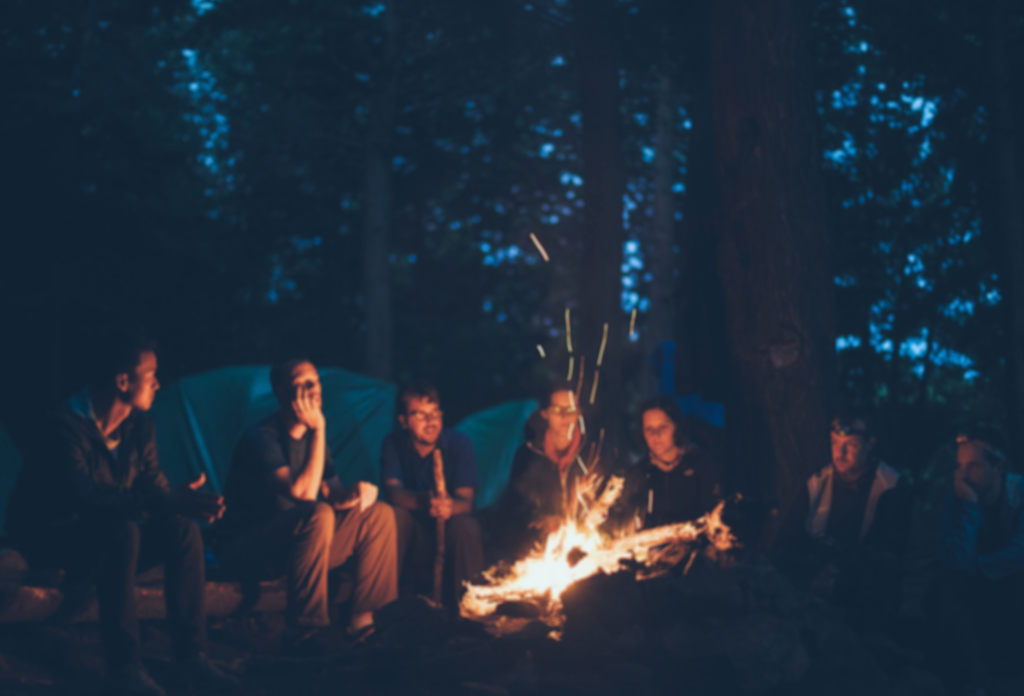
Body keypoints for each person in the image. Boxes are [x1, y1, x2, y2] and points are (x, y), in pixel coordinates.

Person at [4, 333, 234, 696]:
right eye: (151, 374)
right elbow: (87, 500)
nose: (159, 382)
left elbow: (153, 490)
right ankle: (123, 666)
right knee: (122, 531)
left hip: (105, 541)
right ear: (123, 381)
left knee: (182, 532)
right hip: (50, 544)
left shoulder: (140, 428)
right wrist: (162, 501)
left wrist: (178, 502)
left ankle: (191, 658)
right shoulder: (63, 428)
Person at [218, 358, 397, 651]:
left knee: (379, 514)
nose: (313, 389)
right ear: (280, 391)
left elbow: (333, 492)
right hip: (250, 550)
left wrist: (357, 492)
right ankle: (305, 628)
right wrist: (320, 429)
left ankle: (364, 621)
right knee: (318, 512)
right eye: (302, 383)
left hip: (299, 547)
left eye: (315, 381)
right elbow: (303, 492)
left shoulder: (315, 442)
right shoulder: (261, 438)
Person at [775, 409, 912, 630]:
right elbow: (788, 535)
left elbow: (890, 546)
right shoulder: (818, 481)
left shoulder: (891, 486)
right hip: (818, 568)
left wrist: (839, 566)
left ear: (870, 444)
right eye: (835, 443)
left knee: (883, 568)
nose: (841, 453)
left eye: (852, 445)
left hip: (860, 574)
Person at [931, 426, 1024, 695]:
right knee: (945, 588)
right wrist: (969, 508)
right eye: (960, 466)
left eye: (973, 466)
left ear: (998, 467)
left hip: (1010, 580)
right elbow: (955, 560)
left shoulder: (1019, 495)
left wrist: (976, 567)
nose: (963, 474)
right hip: (975, 583)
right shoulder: (956, 500)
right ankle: (976, 677)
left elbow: (1020, 551)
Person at [380, 381, 484, 605]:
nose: (430, 421)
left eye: (435, 413)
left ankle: (470, 609)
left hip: (450, 532)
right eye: (420, 415)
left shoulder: (459, 444)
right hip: (413, 536)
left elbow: (466, 502)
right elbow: (392, 492)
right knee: (393, 516)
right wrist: (424, 501)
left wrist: (448, 507)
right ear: (403, 421)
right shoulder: (394, 444)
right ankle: (384, 606)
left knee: (465, 524)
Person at [493, 383, 612, 559]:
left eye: (570, 409)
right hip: (540, 548)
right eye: (557, 410)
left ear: (580, 412)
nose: (565, 416)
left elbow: (610, 501)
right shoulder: (527, 455)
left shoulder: (597, 453)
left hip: (586, 546)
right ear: (545, 413)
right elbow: (513, 507)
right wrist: (541, 518)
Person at [611, 395, 720, 533]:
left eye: (663, 427)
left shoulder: (701, 464)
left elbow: (712, 513)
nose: (656, 435)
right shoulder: (640, 472)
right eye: (648, 429)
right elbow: (621, 513)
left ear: (676, 426)